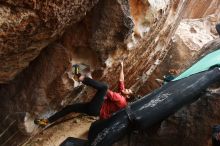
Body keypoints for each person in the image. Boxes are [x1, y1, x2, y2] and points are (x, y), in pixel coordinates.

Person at [34, 61, 133, 127]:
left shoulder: (121, 99)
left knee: (104, 87)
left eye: (128, 90)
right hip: (94, 110)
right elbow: (121, 80)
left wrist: (88, 79)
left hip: (97, 109)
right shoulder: (123, 96)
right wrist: (122, 66)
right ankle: (45, 122)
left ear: (127, 96)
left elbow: (105, 91)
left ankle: (79, 76)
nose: (126, 89)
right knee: (69, 108)